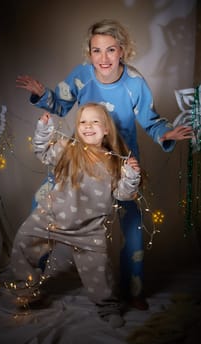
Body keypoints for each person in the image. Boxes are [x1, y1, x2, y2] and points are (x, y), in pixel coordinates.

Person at [16, 19, 193, 310]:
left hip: (120, 167)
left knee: (133, 227)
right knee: (41, 212)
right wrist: (41, 94)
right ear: (89, 52)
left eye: (111, 50)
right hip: (79, 162)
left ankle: (132, 290)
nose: (104, 58)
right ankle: (29, 286)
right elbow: (60, 105)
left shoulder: (134, 83)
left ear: (122, 51)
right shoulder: (82, 75)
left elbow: (150, 120)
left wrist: (166, 133)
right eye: (97, 50)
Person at [10, 102, 141, 328]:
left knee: (99, 272)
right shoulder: (67, 149)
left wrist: (131, 176)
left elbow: (124, 194)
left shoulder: (114, 161)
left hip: (89, 230)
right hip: (50, 218)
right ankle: (27, 291)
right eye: (82, 122)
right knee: (23, 242)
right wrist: (44, 130)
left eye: (95, 121)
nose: (88, 126)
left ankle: (107, 306)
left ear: (107, 129)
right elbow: (42, 152)